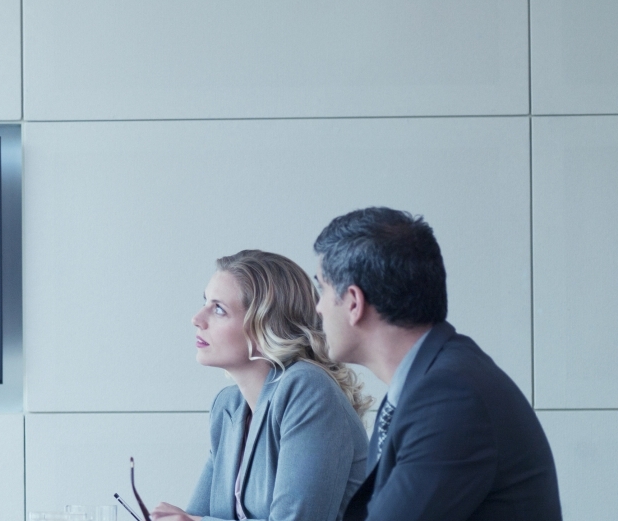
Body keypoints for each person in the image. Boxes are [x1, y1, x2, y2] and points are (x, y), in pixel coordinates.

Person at [312, 207, 561, 520]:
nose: (318, 308)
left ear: (353, 302)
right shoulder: (429, 381)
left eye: (321, 288)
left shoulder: (450, 396)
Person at [151, 250, 370, 521]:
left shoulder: (306, 388)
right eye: (205, 302)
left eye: (219, 309)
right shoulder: (228, 408)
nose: (196, 318)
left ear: (265, 326)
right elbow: (195, 515)